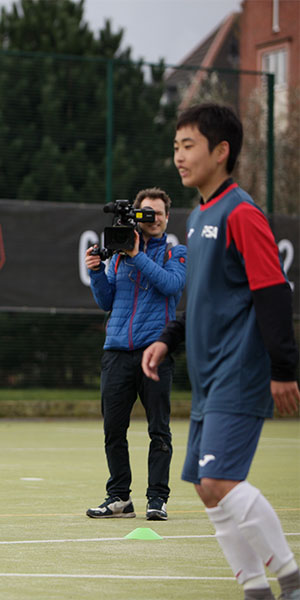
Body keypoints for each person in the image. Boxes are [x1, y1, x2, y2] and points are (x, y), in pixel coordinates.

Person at [143, 103, 300, 600]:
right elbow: (200, 298)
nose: (179, 157)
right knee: (205, 486)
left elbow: (274, 292)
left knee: (220, 481)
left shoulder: (242, 213)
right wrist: (168, 338)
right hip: (209, 377)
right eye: (176, 146)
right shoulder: (199, 216)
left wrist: (283, 368)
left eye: (188, 145)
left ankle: (292, 581)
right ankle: (256, 589)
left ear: (221, 151)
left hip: (241, 370)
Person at [83, 187, 187, 521]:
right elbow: (106, 302)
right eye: (144, 213)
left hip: (154, 352)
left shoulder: (175, 253)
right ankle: (119, 497)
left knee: (159, 429)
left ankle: (157, 498)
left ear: (167, 217)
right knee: (113, 428)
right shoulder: (119, 255)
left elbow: (171, 285)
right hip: (115, 351)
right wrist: (98, 270)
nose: (150, 219)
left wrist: (136, 253)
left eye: (156, 213)